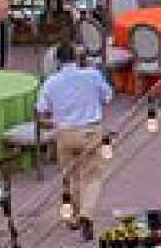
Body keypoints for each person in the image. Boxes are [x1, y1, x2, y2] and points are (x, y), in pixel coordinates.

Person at [35, 54, 117, 234]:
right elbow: (108, 97)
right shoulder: (92, 75)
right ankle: (86, 213)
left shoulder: (51, 82)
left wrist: (54, 121)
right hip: (90, 130)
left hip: (65, 133)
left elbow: (41, 110)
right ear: (78, 58)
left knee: (70, 175)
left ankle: (74, 215)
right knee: (92, 176)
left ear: (57, 61)